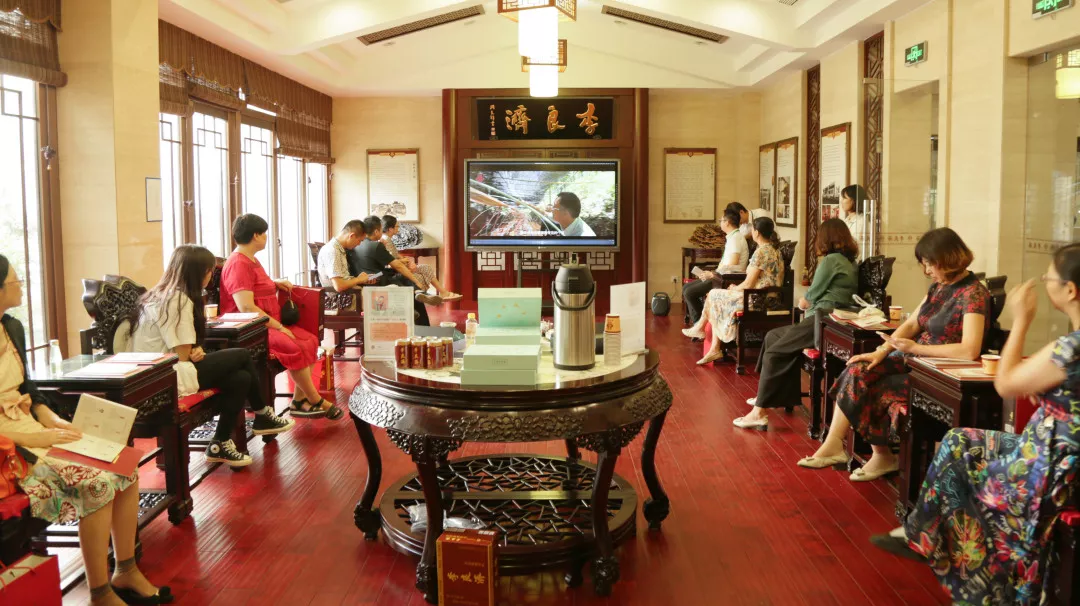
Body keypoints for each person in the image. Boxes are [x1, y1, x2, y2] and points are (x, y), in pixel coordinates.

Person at [871, 243, 1080, 604]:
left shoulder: (1070, 348)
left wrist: (1022, 320)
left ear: (1071, 290)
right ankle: (920, 535)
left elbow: (1006, 384)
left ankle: (984, 582)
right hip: (1052, 452)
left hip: (1050, 468)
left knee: (968, 483)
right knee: (958, 440)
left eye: (1050, 279)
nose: (1045, 284)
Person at [0, 254, 172, 606]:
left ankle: (125, 569)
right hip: (8, 446)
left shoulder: (11, 327)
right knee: (97, 482)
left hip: (30, 425)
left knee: (126, 465)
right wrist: (35, 437)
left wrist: (52, 419)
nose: (21, 287)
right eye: (16, 281)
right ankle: (99, 592)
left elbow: (28, 390)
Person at [798, 227, 989, 480]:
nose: (927, 271)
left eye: (929, 264)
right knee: (859, 368)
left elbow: (969, 350)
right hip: (914, 358)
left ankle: (882, 456)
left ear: (947, 259)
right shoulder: (939, 287)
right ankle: (835, 444)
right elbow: (912, 324)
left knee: (874, 387)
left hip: (937, 371)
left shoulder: (974, 293)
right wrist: (882, 351)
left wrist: (916, 348)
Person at [130, 245, 293, 467]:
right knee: (243, 355)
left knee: (241, 378)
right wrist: (191, 350)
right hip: (168, 376)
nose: (211, 276)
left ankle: (220, 443)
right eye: (209, 271)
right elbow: (182, 355)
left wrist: (194, 349)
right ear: (199, 272)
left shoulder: (159, 294)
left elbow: (180, 347)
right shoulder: (177, 300)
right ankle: (262, 414)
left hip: (153, 375)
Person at [734, 219, 858, 429]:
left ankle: (759, 412)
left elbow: (812, 295)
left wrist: (802, 302)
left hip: (823, 321)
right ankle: (775, 396)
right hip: (829, 320)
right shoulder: (848, 261)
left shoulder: (831, 260)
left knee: (774, 352)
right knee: (772, 336)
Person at [220, 214, 342, 420]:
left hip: (267, 322)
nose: (266, 237)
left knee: (310, 340)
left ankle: (298, 401)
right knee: (293, 345)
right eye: (264, 233)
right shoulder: (238, 263)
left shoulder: (251, 259)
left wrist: (275, 283)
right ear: (256, 235)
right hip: (252, 329)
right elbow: (246, 306)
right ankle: (315, 399)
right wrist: (278, 326)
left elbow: (256, 286)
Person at [684, 217, 785, 365]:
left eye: (752, 229)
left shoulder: (762, 252)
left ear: (757, 232)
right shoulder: (774, 250)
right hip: (767, 297)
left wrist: (735, 288)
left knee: (714, 295)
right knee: (715, 295)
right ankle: (707, 338)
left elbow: (749, 283)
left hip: (758, 299)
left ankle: (706, 336)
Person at [347, 215, 441, 326]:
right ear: (376, 231)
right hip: (375, 280)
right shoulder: (376, 245)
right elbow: (397, 265)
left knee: (401, 279)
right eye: (381, 229)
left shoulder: (354, 245)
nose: (382, 232)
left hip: (364, 280)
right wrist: (416, 282)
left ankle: (417, 297)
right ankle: (420, 314)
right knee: (403, 277)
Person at [681, 210, 747, 326]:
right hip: (720, 275)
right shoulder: (732, 237)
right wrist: (712, 272)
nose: (720, 222)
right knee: (686, 287)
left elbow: (732, 265)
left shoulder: (736, 239)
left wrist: (712, 274)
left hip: (726, 279)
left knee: (689, 292)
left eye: (721, 220)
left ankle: (699, 325)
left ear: (727, 222)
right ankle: (701, 322)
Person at [380, 215, 460, 301]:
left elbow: (395, 255)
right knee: (424, 272)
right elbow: (391, 262)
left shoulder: (387, 239)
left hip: (400, 267)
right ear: (390, 229)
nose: (398, 229)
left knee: (426, 268)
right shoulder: (386, 240)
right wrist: (405, 261)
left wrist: (408, 261)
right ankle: (441, 293)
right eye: (397, 226)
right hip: (396, 271)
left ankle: (443, 292)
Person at [317, 220, 370, 292]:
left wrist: (361, 279)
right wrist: (358, 279)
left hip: (349, 294)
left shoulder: (338, 249)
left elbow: (343, 279)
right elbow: (339, 286)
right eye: (360, 240)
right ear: (352, 236)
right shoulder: (332, 250)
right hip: (341, 297)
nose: (359, 244)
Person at [839, 184, 867, 254]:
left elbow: (862, 248)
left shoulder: (863, 222)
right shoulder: (844, 221)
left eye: (844, 198)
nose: (841, 201)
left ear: (854, 200)